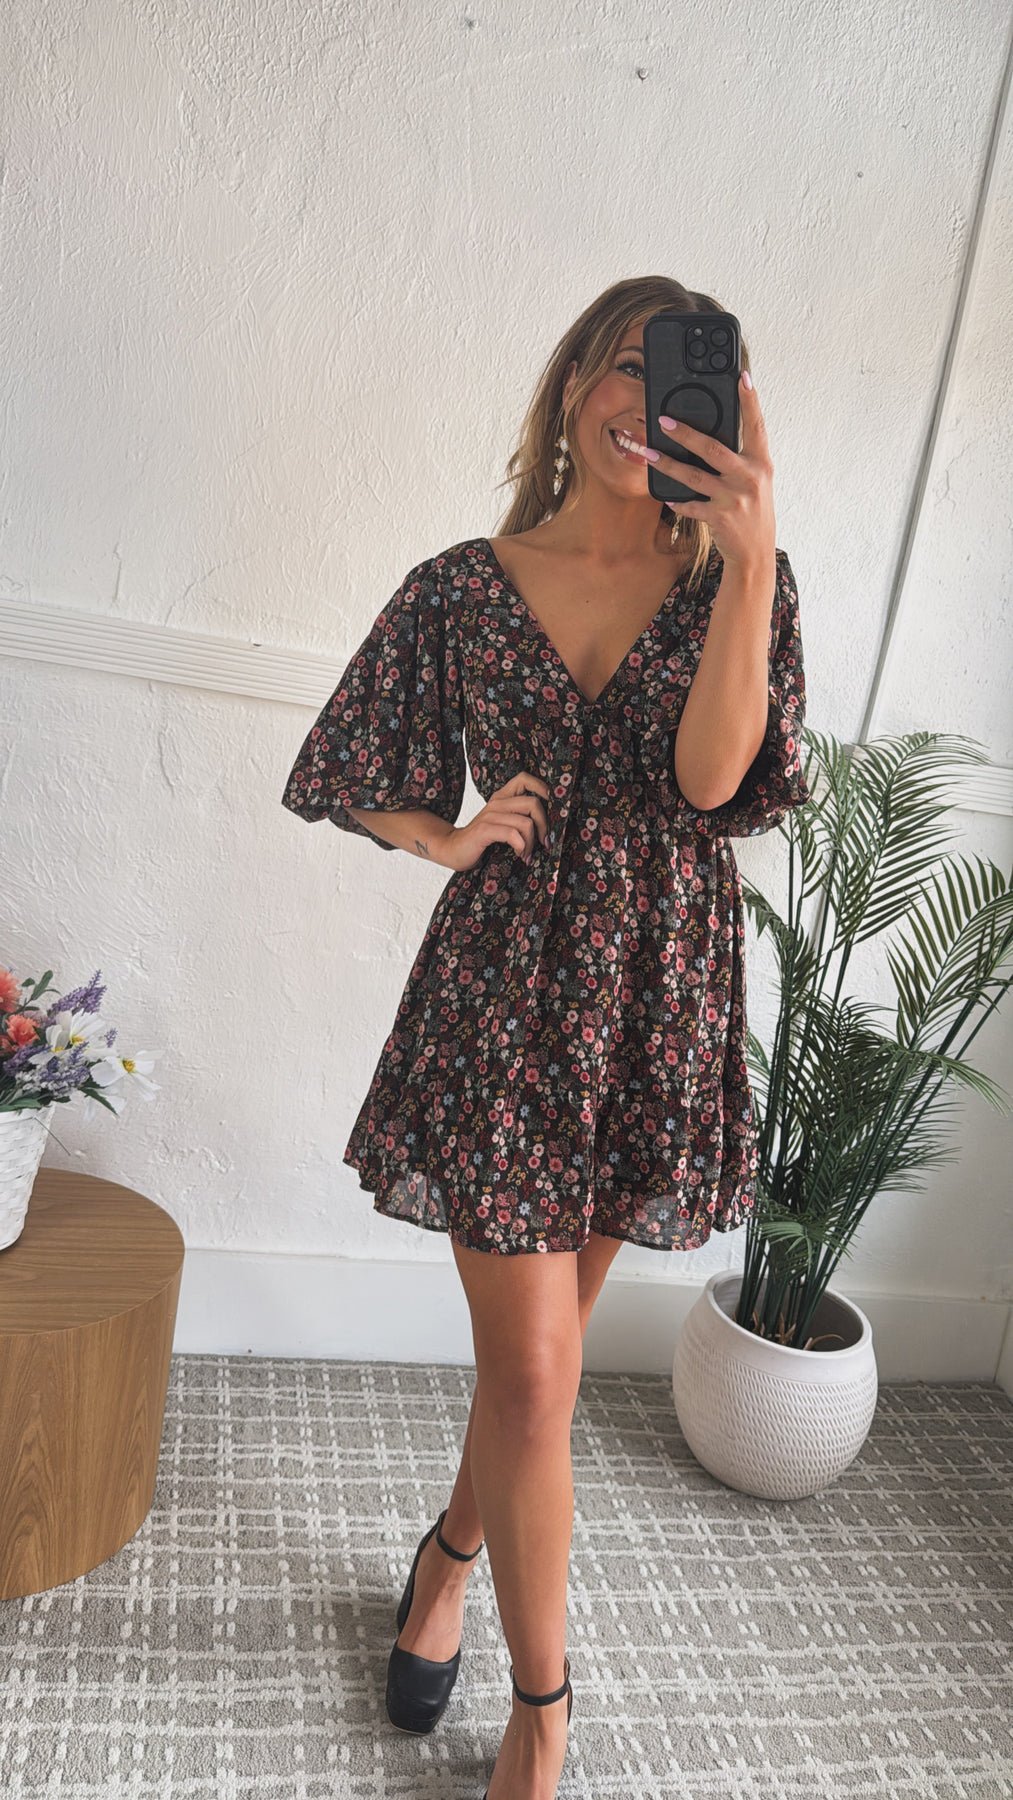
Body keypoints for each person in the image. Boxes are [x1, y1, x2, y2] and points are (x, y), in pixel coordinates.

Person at [281, 275, 811, 1800]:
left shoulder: (747, 577)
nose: (649, 399)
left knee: (544, 1374)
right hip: (507, 993)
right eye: (626, 363)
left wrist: (748, 563)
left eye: (688, 375)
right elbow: (351, 761)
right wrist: (444, 838)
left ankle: (449, 1557)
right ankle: (543, 1714)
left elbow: (708, 785)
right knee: (529, 1377)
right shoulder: (462, 584)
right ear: (576, 381)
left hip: (651, 995)